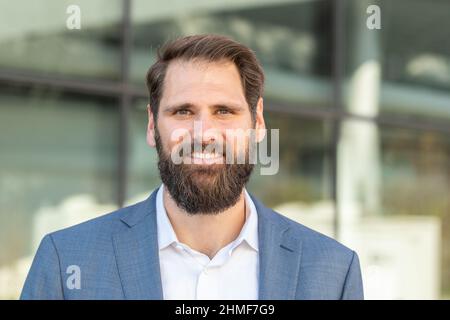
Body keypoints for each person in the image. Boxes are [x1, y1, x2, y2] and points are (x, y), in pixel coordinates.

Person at [21, 34, 363, 300]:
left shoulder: (332, 272)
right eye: (183, 111)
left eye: (224, 111)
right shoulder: (66, 260)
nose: (204, 134)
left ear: (258, 122)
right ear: (153, 126)